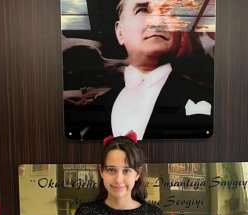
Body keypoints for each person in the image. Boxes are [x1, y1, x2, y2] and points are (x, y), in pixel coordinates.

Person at [64, 0, 214, 140]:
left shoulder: (210, 100)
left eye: (168, 11)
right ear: (120, 32)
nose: (157, 21)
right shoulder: (90, 112)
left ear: (180, 33)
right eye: (142, 10)